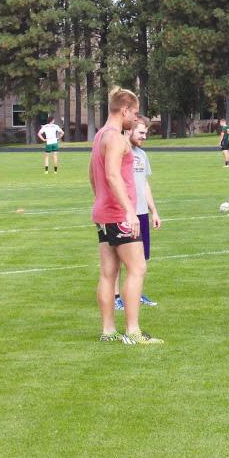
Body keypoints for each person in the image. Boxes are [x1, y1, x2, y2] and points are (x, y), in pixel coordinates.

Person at [90, 87, 163, 344]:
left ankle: (108, 331)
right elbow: (111, 175)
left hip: (104, 213)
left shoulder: (100, 136)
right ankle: (133, 332)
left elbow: (92, 175)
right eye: (134, 113)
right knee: (137, 267)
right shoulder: (117, 139)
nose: (136, 118)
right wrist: (130, 211)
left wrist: (101, 202)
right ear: (124, 110)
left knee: (108, 273)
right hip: (119, 214)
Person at [114, 119, 161, 311]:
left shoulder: (142, 155)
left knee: (140, 260)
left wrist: (154, 211)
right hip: (124, 214)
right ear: (129, 131)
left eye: (145, 133)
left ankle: (135, 294)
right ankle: (117, 297)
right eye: (141, 133)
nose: (144, 136)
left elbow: (145, 185)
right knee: (118, 257)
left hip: (141, 213)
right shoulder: (119, 152)